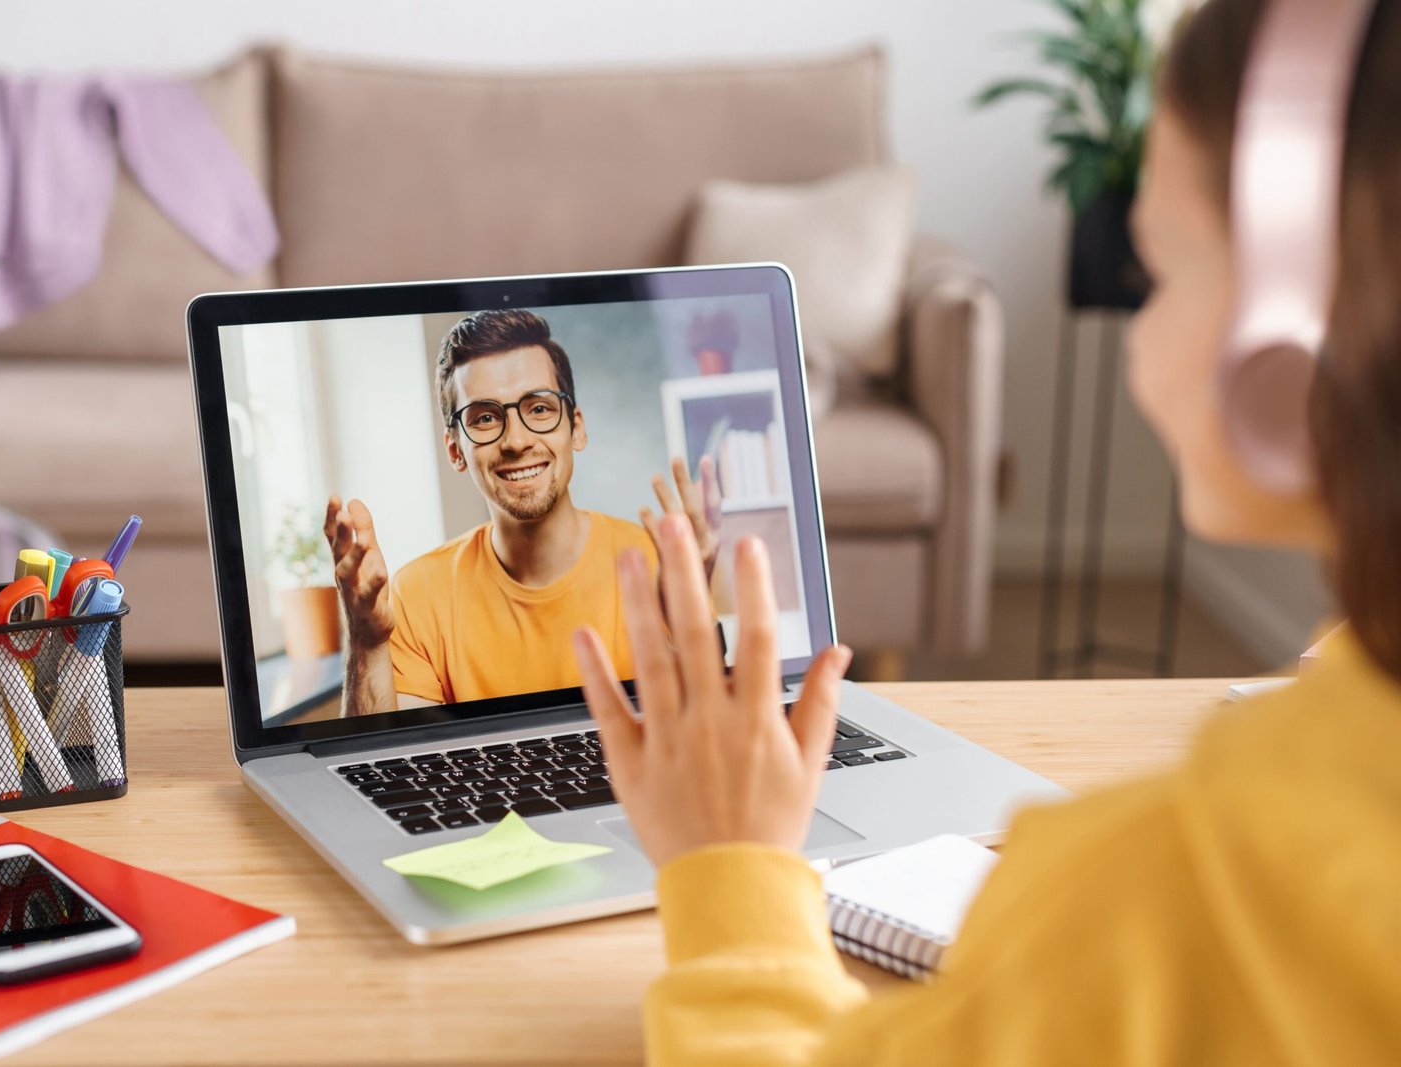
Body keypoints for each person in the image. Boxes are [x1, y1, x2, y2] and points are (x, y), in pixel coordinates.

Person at [571, 0, 1401, 1062]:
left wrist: (727, 866)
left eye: (1160, 270)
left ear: (1293, 331)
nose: (1140, 328)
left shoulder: (1162, 903)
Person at [324, 308, 721, 715]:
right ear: (455, 451)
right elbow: (392, 768)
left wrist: (690, 627)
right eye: (484, 418)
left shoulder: (663, 565)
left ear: (576, 428)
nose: (516, 440)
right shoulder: (415, 597)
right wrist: (365, 639)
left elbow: (712, 742)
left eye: (539, 409)